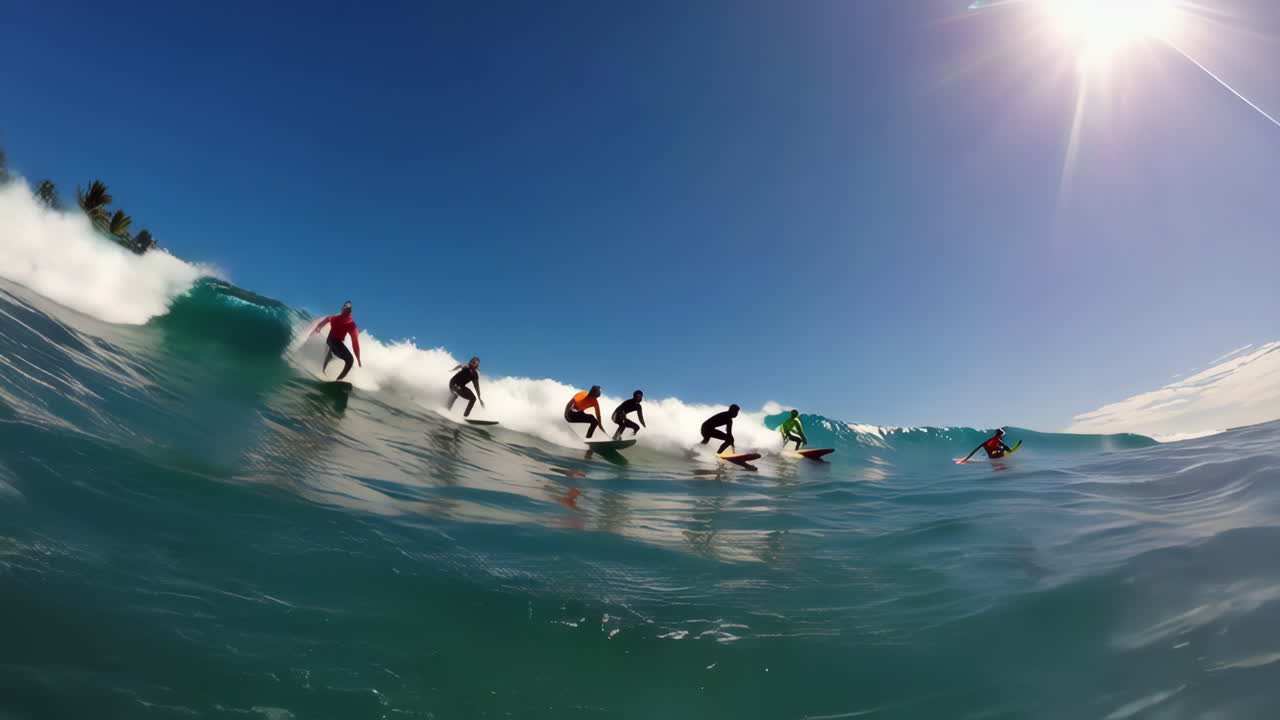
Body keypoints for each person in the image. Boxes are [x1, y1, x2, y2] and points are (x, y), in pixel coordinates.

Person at [310, 301, 362, 381]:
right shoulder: (337, 319)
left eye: (347, 309)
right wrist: (317, 329)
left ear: (349, 311)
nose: (345, 310)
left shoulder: (350, 324)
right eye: (344, 308)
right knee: (350, 360)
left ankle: (326, 372)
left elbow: (355, 343)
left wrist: (358, 358)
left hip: (333, 342)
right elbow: (324, 322)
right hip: (333, 342)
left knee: (333, 351)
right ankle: (338, 379)